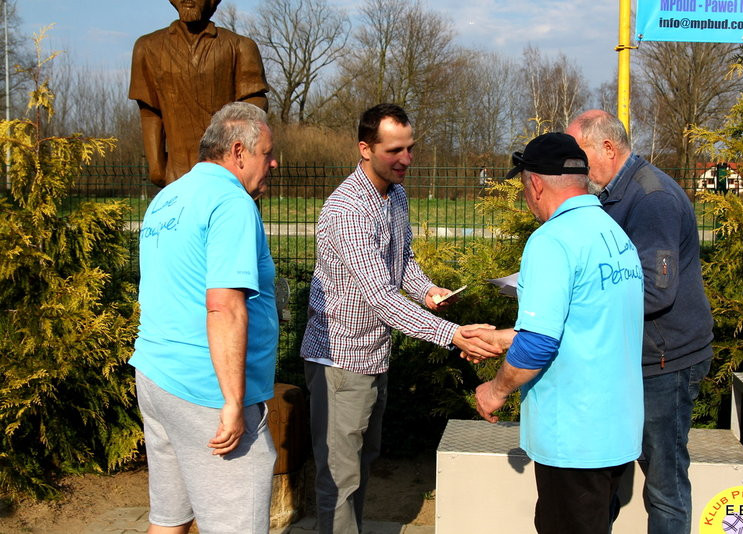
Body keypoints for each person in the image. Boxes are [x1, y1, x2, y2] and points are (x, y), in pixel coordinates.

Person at [300, 103, 502, 534]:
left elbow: (401, 261)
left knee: (363, 464)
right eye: (395, 150)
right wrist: (453, 335)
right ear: (365, 149)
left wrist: (427, 289)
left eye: (410, 148)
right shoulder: (347, 210)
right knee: (339, 478)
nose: (406, 159)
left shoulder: (396, 195)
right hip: (339, 363)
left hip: (376, 355)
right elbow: (379, 296)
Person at [472, 132, 645, 534]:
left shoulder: (552, 241)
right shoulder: (613, 235)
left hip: (574, 439)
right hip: (614, 430)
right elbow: (586, 325)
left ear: (533, 183)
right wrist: (502, 339)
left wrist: (494, 391)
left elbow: (538, 343)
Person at [129, 102, 279, 534]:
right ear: (237, 151)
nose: (273, 162)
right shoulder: (230, 202)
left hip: (157, 377)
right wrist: (233, 402)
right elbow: (224, 305)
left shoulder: (168, 197)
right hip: (206, 390)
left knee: (169, 517)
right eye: (266, 152)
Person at [566, 110, 714, 534]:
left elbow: (655, 290)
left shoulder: (651, 200)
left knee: (664, 485)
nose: (574, 170)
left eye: (580, 158)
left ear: (608, 149)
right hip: (636, 357)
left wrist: (577, 304)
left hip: (665, 361)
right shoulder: (611, 194)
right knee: (606, 472)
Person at [129, 0, 269, 187]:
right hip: (177, 174)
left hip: (228, 176)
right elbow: (149, 113)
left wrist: (243, 167)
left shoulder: (240, 47)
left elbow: (253, 114)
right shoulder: (148, 48)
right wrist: (156, 167)